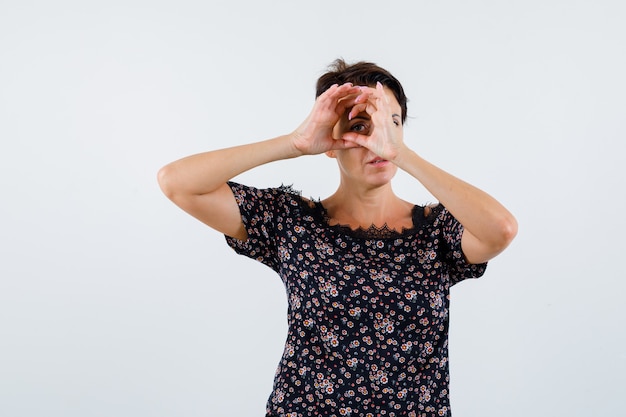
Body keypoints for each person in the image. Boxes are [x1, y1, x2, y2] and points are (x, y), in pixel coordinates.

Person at [157, 59, 517, 417]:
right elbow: (177, 183)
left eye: (391, 124)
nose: (377, 141)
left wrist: (401, 154)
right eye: (361, 127)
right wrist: (293, 143)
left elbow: (501, 229)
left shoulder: (438, 231)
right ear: (330, 141)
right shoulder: (291, 222)